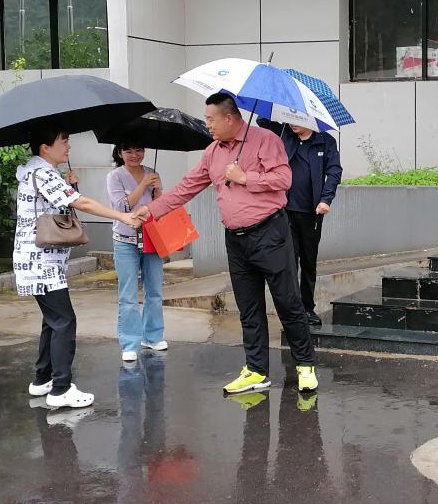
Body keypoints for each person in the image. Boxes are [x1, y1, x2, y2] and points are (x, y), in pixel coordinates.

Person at [137, 93, 317, 396]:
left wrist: (246, 177)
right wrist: (151, 210)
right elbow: (187, 187)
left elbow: (284, 179)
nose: (207, 125)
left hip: (270, 234)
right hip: (236, 239)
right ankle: (256, 370)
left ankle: (305, 365)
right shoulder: (212, 152)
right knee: (248, 307)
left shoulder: (265, 140)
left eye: (211, 119)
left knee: (287, 302)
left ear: (230, 118)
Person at [16, 123, 142, 409]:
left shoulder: (37, 172)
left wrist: (70, 187)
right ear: (45, 147)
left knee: (53, 320)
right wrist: (122, 217)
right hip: (41, 262)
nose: (68, 146)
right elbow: (82, 203)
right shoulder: (43, 173)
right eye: (64, 141)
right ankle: (61, 389)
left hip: (38, 260)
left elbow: (61, 204)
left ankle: (42, 379)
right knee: (64, 321)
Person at [257, 119, 342, 326]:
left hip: (312, 213)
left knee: (308, 262)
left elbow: (334, 172)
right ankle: (293, 311)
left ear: (310, 118)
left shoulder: (325, 141)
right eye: (291, 118)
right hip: (285, 212)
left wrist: (326, 199)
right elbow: (262, 120)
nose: (293, 123)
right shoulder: (284, 133)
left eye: (298, 119)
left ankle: (307, 308)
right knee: (289, 262)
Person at [106, 143, 166, 363]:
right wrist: (143, 185)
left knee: (155, 291)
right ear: (120, 153)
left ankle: (153, 336)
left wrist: (158, 190)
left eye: (139, 150)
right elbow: (121, 207)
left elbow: (160, 207)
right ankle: (130, 343)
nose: (134, 155)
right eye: (128, 151)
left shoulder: (152, 173)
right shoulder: (115, 176)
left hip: (152, 239)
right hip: (125, 241)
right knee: (128, 295)